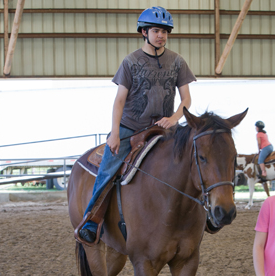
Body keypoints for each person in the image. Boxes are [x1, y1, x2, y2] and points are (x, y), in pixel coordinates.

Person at [79, 6, 196, 243]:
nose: (161, 35)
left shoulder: (177, 61)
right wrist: (114, 133)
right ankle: (92, 220)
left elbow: (186, 99)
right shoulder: (130, 62)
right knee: (108, 169)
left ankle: (207, 213)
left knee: (195, 154)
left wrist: (174, 119)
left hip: (164, 127)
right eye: (156, 30)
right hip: (131, 128)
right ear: (144, 32)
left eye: (164, 31)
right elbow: (119, 100)